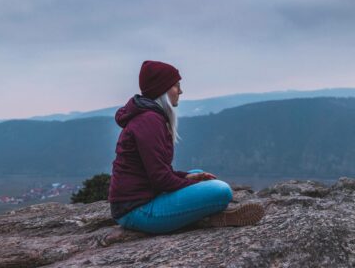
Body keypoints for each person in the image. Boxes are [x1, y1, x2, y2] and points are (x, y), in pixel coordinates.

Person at [108, 60, 264, 234]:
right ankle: (206, 217)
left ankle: (203, 216)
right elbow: (160, 178)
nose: (180, 91)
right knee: (221, 190)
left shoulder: (149, 117)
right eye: (176, 86)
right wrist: (187, 184)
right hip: (138, 212)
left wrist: (187, 177)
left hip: (140, 202)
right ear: (162, 90)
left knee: (198, 174)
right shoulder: (149, 121)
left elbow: (157, 172)